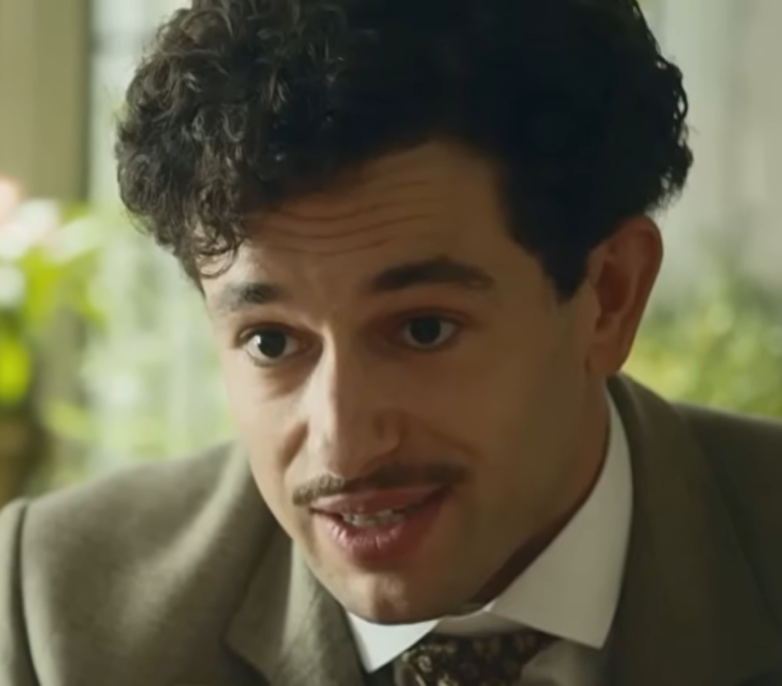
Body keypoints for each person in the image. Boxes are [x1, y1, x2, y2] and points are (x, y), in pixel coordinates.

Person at [2, 0, 781, 684]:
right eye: (271, 342)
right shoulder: (58, 610)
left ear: (610, 297)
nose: (344, 442)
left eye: (422, 329)